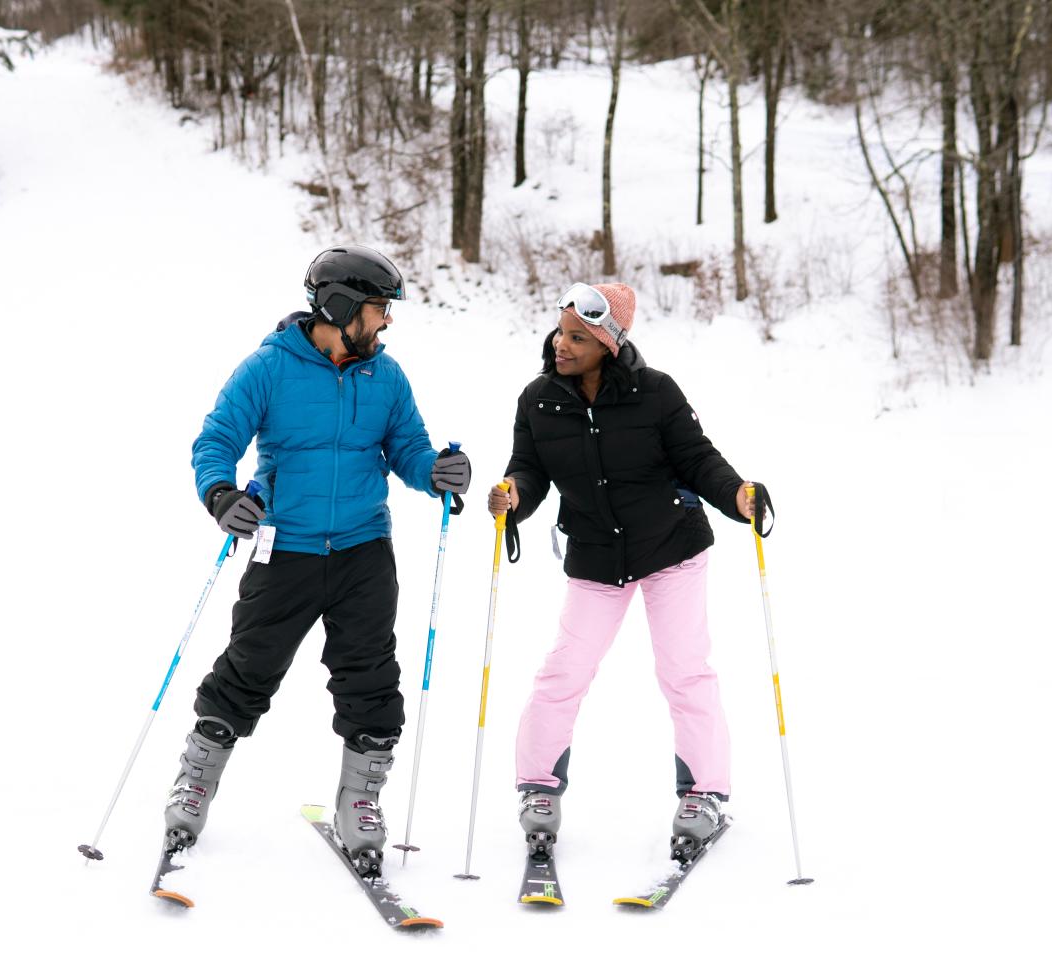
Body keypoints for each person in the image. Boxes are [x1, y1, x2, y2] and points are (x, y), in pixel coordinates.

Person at [165, 244, 472, 876]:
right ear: (340, 305)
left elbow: (408, 448)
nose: (386, 320)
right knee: (248, 668)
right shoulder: (269, 368)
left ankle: (360, 800)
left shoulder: (386, 376)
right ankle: (195, 781)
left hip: (364, 550)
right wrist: (221, 494)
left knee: (370, 678)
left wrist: (434, 471)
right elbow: (216, 439)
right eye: (379, 308)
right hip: (287, 550)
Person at [486, 281, 760, 863]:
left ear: (608, 344)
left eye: (578, 338)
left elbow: (697, 458)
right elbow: (528, 469)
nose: (561, 344)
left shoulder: (655, 392)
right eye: (561, 332)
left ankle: (704, 793)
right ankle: (538, 788)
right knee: (563, 672)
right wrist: (513, 495)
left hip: (671, 549)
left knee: (684, 671)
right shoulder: (538, 399)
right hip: (596, 556)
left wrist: (738, 495)